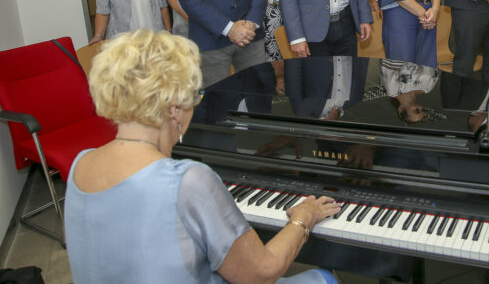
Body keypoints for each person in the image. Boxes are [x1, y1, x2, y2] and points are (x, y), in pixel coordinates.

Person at [65, 30, 339, 284]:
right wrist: (304, 217)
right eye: (193, 98)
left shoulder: (81, 164)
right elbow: (262, 272)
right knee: (323, 278)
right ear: (174, 107)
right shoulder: (188, 180)